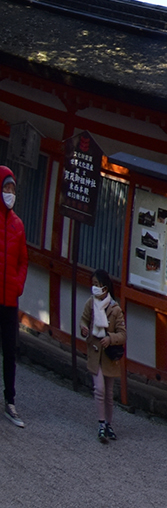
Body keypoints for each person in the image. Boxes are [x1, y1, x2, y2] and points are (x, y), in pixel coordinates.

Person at [85, 270, 127, 443]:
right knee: (100, 389)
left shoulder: (115, 309)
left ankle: (108, 424)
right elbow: (83, 319)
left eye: (98, 284)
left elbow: (123, 335)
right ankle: (101, 423)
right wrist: (84, 329)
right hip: (95, 352)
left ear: (105, 286)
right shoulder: (91, 303)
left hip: (109, 355)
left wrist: (110, 339)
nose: (95, 287)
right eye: (93, 284)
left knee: (109, 393)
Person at [0, 167, 26, 429]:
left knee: (10, 351)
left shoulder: (17, 224)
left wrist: (18, 285)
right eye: (6, 188)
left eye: (12, 190)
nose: (9, 194)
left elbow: (23, 261)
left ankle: (10, 401)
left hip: (10, 299)